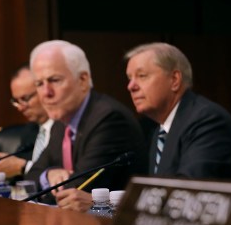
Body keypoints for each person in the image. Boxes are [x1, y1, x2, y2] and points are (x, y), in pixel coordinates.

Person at [27, 40, 147, 209]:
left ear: (83, 80)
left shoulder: (109, 119)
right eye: (39, 84)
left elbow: (78, 191)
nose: (46, 93)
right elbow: (31, 177)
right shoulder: (61, 123)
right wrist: (48, 175)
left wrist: (45, 187)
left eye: (54, 80)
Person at [125, 42, 231, 179]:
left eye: (142, 75)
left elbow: (187, 189)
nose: (131, 86)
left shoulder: (206, 120)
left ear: (174, 80)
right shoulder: (160, 132)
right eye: (130, 78)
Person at [0, 66, 59, 179]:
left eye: (25, 99)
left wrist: (23, 167)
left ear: (44, 90)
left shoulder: (66, 129)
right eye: (16, 101)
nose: (20, 107)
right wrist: (3, 169)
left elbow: (60, 174)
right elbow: (19, 177)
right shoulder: (30, 130)